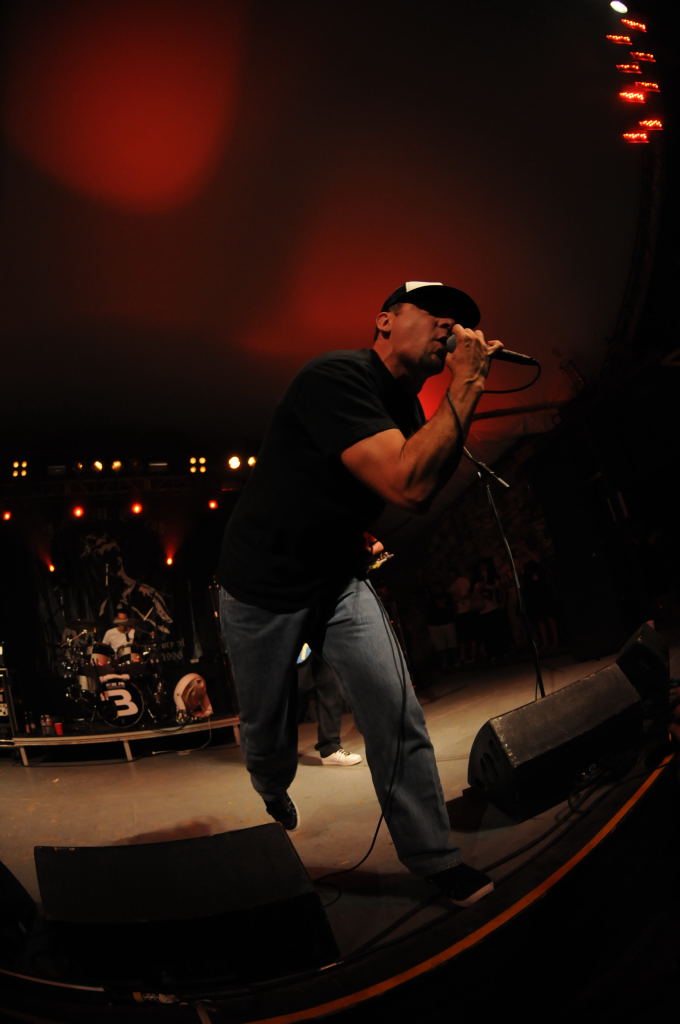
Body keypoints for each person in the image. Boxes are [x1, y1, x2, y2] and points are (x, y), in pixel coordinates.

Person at [217, 279, 503, 906]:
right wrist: (467, 383)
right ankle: (270, 784)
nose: (450, 327)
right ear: (384, 320)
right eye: (436, 312)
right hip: (261, 587)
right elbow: (407, 482)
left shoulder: (410, 413)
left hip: (338, 578)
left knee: (393, 709)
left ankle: (435, 858)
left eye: (459, 320)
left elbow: (415, 492)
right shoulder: (335, 377)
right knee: (268, 732)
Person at [297, 646, 363, 766]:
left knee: (329, 680)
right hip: (290, 642)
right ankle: (276, 748)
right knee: (297, 687)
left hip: (320, 639)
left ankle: (330, 748)